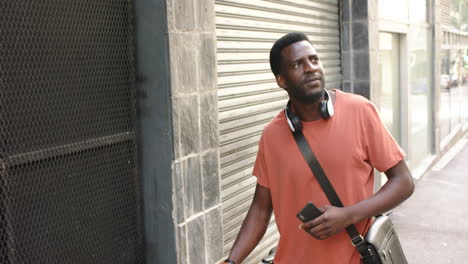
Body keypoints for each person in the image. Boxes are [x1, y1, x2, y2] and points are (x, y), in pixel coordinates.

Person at [222, 32, 414, 264]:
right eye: (297, 64)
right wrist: (231, 261)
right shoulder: (271, 135)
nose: (311, 68)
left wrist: (348, 216)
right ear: (281, 80)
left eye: (314, 59)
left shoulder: (360, 111)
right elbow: (261, 209)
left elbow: (403, 181)